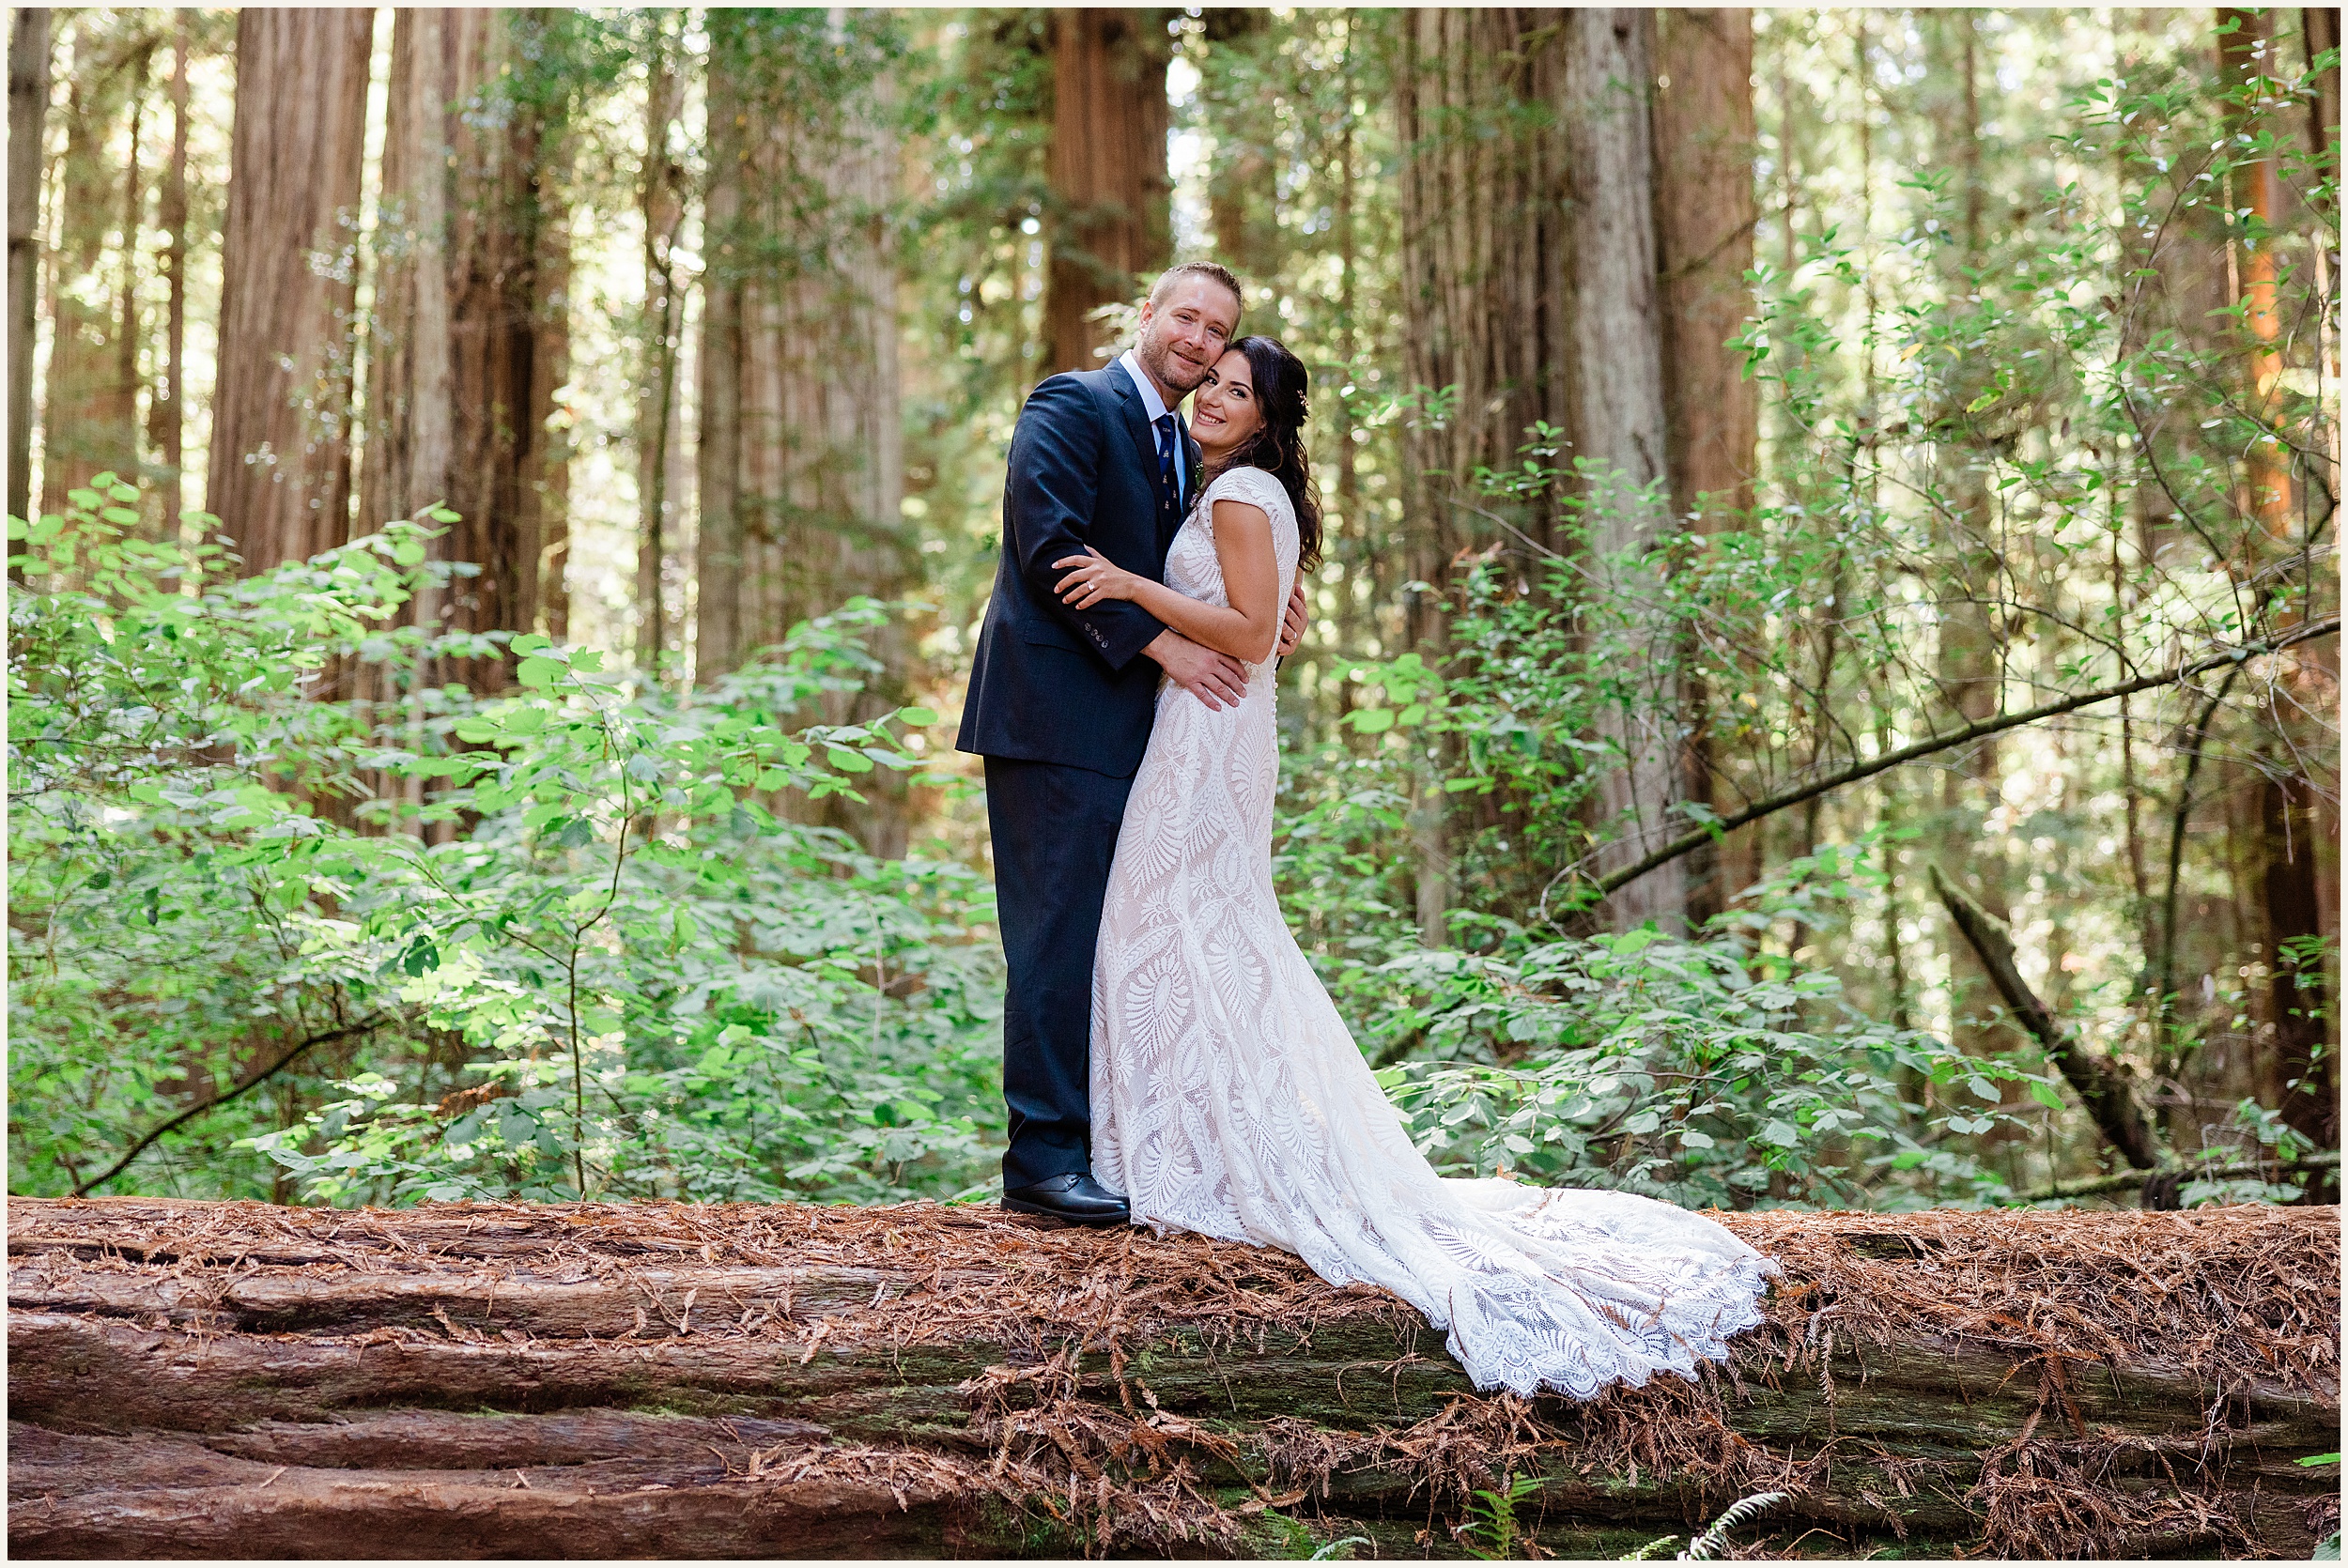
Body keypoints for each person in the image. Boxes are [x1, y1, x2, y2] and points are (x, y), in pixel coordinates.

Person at [1050, 334, 1777, 1400]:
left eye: (1237, 390)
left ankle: (1190, 1155)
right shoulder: (1234, 489)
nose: (1213, 396)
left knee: (1173, 923)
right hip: (1203, 728)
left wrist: (1127, 584)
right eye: (1210, 381)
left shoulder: (1245, 491)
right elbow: (1267, 616)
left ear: (1268, 418)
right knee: (1183, 928)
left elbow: (1251, 632)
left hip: (1208, 733)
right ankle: (1176, 1144)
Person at [955, 263, 1307, 1224]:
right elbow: (1052, 547)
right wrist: (1168, 647)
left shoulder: (1182, 447)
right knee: (1054, 936)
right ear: (1149, 315)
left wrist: (1274, 600)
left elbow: (1209, 561)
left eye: (1218, 329)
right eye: (1186, 317)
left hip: (1133, 729)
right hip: (1051, 715)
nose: (1198, 339)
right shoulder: (1075, 402)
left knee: (1122, 940)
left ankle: (1129, 1138)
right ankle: (1042, 1158)